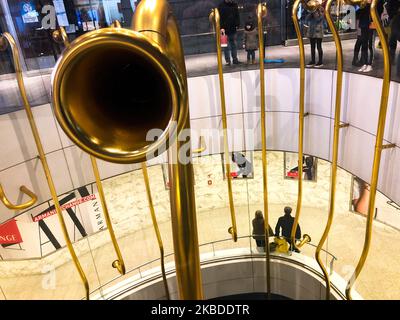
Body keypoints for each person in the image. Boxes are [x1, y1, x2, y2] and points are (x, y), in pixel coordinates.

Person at [218, 0, 241, 66]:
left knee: (233, 44)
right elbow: (219, 18)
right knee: (226, 46)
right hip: (224, 30)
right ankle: (228, 61)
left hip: (232, 28)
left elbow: (237, 15)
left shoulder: (234, 4)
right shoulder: (221, 6)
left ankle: (235, 60)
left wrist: (237, 25)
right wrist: (221, 27)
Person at [358, 2, 374, 73]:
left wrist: (368, 5)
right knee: (364, 45)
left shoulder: (373, 5)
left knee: (370, 45)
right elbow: (357, 15)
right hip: (363, 26)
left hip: (370, 26)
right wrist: (362, 7)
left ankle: (369, 64)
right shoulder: (363, 6)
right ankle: (364, 63)